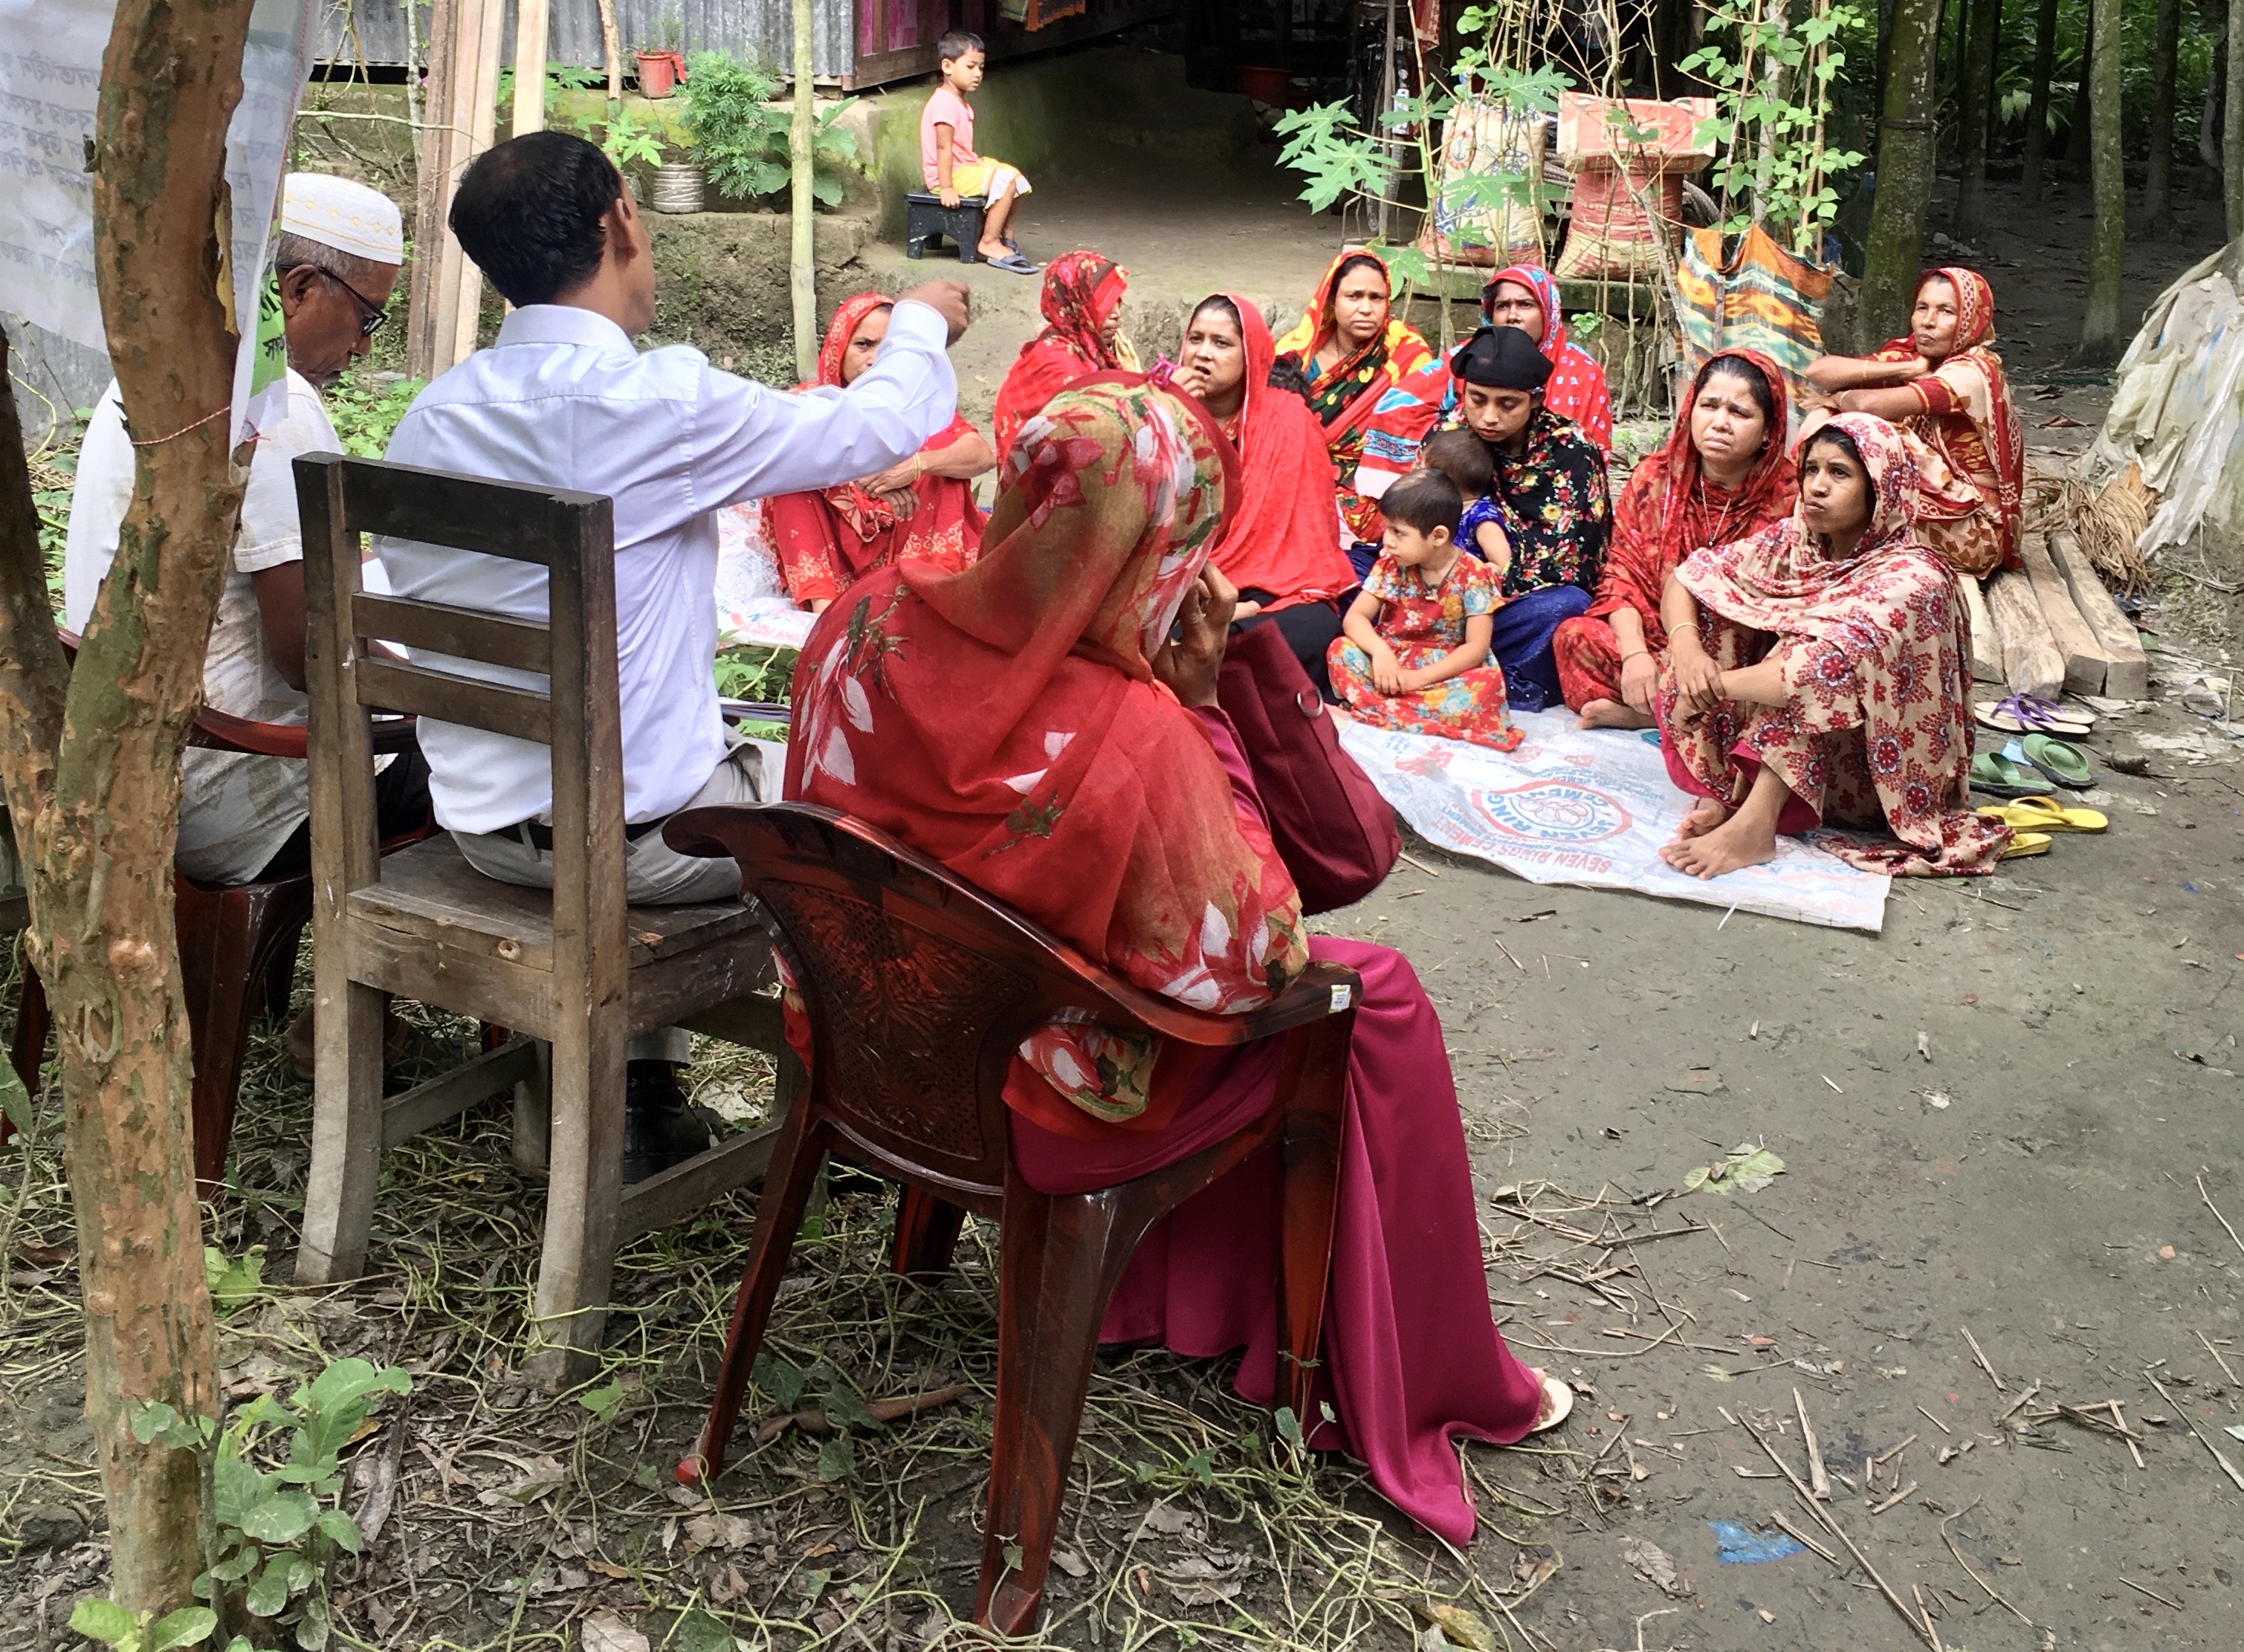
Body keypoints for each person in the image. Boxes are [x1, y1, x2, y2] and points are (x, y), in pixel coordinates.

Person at [785, 377, 1570, 1553]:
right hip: (1027, 1103)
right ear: (1159, 551)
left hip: (864, 1037)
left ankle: (1186, 1296)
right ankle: (1371, 1362)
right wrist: (1204, 709)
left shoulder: (859, 619)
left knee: (1306, 983)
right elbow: (1258, 960)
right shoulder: (1130, 726)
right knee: (1365, 995)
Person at [375, 130, 973, 1182]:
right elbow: (875, 427)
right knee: (868, 799)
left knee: (672, 730)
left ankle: (642, 1093)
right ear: (620, 221)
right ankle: (869, 1112)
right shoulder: (658, 404)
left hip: (480, 835)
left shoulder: (430, 419)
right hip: (640, 852)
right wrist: (920, 317)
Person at [65, 172, 429, 892]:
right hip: (236, 794)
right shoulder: (274, 399)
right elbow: (312, 653)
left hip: (126, 776)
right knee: (492, 780)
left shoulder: (145, 380)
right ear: (298, 288)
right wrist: (437, 691)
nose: (361, 350)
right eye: (368, 319)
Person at [1655, 413, 2011, 879]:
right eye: (1811, 470)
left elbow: (1813, 677)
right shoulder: (1796, 543)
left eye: (1839, 473)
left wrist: (1708, 687)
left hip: (1873, 781)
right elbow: (1688, 577)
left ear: (1881, 487)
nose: (1817, 487)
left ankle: (1756, 826)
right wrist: (1688, 653)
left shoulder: (1914, 579)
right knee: (1714, 614)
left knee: (1811, 666)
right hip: (1795, 758)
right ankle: (1733, 793)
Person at [1553, 350, 1795, 730]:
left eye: (1739, 413)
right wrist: (1635, 656)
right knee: (1574, 638)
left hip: (1738, 650)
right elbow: (1622, 577)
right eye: (1709, 406)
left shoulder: (1791, 496)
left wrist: (1698, 652)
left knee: (1772, 673)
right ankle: (1671, 713)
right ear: (1690, 410)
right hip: (1659, 637)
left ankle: (1647, 717)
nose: (1719, 423)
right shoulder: (1655, 478)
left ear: (1769, 430)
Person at [1163, 292, 1354, 693]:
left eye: (1221, 343)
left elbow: (1308, 543)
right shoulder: (1159, 406)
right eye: (1195, 339)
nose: (1203, 354)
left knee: (1316, 629)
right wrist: (1169, 413)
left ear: (1251, 355)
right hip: (1177, 578)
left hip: (1268, 586)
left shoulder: (1288, 420)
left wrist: (1244, 607)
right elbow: (1137, 509)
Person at [762, 292, 994, 612]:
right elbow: (770, 453)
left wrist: (915, 465)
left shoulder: (917, 403)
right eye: (863, 345)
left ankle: (928, 591)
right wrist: (858, 468)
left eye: (887, 349)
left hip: (902, 528)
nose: (874, 359)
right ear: (838, 349)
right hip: (838, 542)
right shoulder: (810, 401)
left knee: (945, 468)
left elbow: (981, 455)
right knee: (789, 478)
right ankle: (824, 612)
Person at [1802, 267, 2024, 577]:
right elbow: (1818, 371)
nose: (1928, 322)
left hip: (1975, 530)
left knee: (1871, 435)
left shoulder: (1972, 372)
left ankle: (1825, 543)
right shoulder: (1912, 355)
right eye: (1922, 308)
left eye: (1946, 311)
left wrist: (1835, 401)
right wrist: (1908, 369)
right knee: (1822, 420)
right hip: (1933, 509)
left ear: (1972, 319)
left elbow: (1864, 405)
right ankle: (1822, 538)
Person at [1449, 325, 1611, 713]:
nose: (1488, 417)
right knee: (1354, 572)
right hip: (1438, 595)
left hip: (1513, 605)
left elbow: (1575, 565)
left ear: (1535, 400)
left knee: (1566, 606)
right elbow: (1418, 518)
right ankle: (1464, 662)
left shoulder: (1572, 451)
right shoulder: (1449, 435)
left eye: (1507, 404)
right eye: (1477, 399)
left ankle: (1450, 659)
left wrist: (1480, 589)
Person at [1273, 250, 1448, 566]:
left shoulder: (1405, 352)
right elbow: (1269, 429)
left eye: (1376, 298)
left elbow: (1417, 435)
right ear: (1331, 300)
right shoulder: (1294, 354)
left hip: (1377, 490)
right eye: (1354, 296)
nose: (1366, 308)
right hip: (1296, 479)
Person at [1328, 469, 1522, 751]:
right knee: (1340, 650)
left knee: (1485, 682)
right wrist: (1381, 652)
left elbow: (1476, 648)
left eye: (1398, 533)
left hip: (1444, 668)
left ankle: (1383, 707)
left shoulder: (1475, 575)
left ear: (1438, 536)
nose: (1387, 541)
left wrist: (1419, 678)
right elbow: (1356, 617)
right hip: (1391, 658)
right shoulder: (1391, 565)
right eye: (1387, 529)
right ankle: (1412, 710)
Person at [991, 250, 1135, 457]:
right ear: (1076, 304)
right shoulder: (1057, 365)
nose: (1116, 314)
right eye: (1105, 303)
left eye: (1117, 300)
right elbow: (1103, 430)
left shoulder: (1088, 344)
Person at [921, 30, 1036, 274]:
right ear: (947, 66)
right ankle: (989, 242)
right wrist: (946, 187)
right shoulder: (943, 103)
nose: (978, 74)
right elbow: (944, 148)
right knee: (1005, 181)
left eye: (981, 68)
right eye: (971, 66)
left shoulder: (957, 100)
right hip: (950, 175)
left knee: (1017, 178)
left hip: (964, 167)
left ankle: (1006, 235)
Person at [1481, 264, 1613, 452]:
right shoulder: (1469, 360)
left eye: (1525, 305)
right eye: (1502, 306)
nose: (1512, 316)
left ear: (1548, 312)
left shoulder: (1583, 372)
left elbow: (1595, 453)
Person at [1421, 428, 1510, 573]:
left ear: (1444, 484)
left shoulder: (1482, 519)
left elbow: (1503, 564)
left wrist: (1471, 576)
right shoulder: (1441, 507)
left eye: (1425, 474)